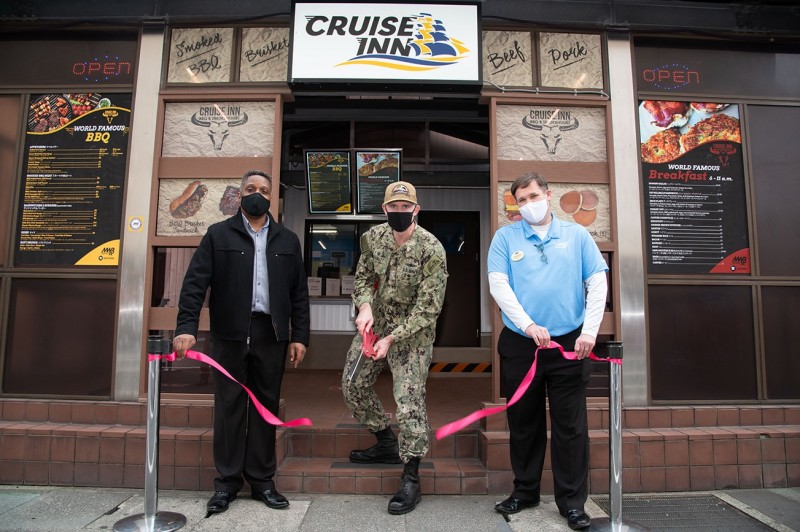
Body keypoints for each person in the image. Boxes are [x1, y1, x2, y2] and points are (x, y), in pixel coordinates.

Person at [172, 170, 309, 517]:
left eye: (263, 189)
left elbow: (299, 293)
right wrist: (186, 327)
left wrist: (300, 336)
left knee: (265, 408)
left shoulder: (287, 240)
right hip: (229, 334)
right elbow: (194, 284)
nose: (257, 194)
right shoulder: (218, 235)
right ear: (241, 194)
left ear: (271, 196)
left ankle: (262, 481)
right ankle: (227, 483)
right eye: (250, 188)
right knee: (229, 407)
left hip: (270, 334)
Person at [487, 172, 608, 530]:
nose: (528, 204)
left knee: (570, 427)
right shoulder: (505, 238)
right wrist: (528, 325)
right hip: (521, 344)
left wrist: (589, 331)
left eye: (533, 196)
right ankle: (525, 492)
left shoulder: (576, 235)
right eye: (521, 200)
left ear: (548, 194)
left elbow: (597, 282)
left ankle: (572, 503)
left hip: (569, 344)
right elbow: (498, 285)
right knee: (524, 423)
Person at [341, 181, 448, 515]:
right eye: (394, 207)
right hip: (375, 327)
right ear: (384, 209)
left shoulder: (431, 248)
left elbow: (429, 308)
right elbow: (362, 278)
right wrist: (364, 307)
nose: (400, 212)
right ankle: (386, 442)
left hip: (412, 336)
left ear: (416, 209)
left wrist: (391, 339)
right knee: (352, 385)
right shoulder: (373, 238)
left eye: (406, 207)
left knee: (409, 401)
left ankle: (411, 476)